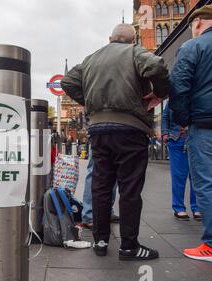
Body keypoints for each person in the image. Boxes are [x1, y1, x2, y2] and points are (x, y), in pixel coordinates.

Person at [61, 23, 169, 261]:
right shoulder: (134, 52)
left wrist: (90, 102)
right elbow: (157, 65)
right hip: (130, 128)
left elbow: (68, 81)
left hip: (99, 129)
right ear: (132, 41)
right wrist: (158, 94)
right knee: (130, 188)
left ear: (110, 38)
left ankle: (100, 241)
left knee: (101, 186)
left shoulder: (92, 58)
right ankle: (129, 247)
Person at [169, 4, 212, 264]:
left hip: (207, 126)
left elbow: (178, 87)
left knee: (208, 184)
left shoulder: (194, 47)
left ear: (198, 21)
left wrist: (183, 120)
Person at [161, 103, 201, 221]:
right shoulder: (174, 97)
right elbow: (165, 116)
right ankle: (179, 208)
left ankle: (197, 207)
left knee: (196, 176)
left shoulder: (197, 94)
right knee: (178, 176)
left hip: (196, 140)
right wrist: (165, 134)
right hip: (176, 140)